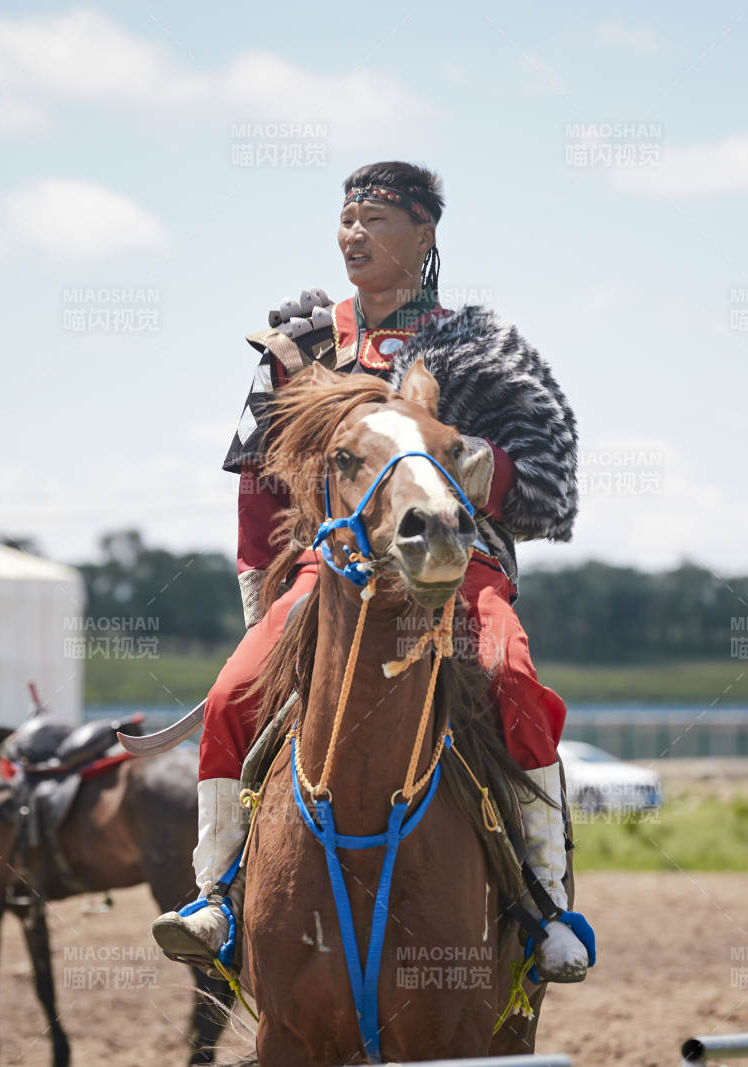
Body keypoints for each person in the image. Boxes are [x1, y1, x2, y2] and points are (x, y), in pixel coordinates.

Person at [151, 160, 590, 982]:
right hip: (331, 572)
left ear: (424, 235)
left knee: (514, 677)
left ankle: (545, 900)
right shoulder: (300, 348)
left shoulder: (481, 346)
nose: (355, 235)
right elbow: (259, 489)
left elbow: (546, 478)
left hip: (451, 567)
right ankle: (216, 896)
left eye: (378, 221)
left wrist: (454, 457)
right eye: (348, 219)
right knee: (230, 694)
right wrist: (265, 602)